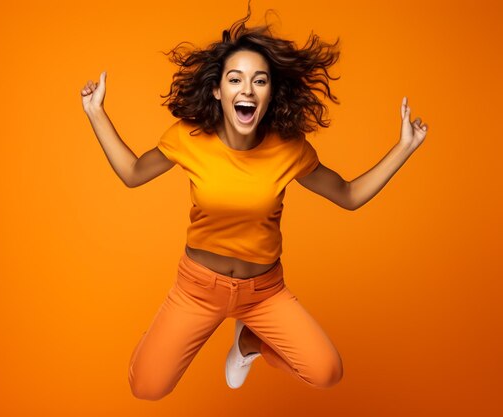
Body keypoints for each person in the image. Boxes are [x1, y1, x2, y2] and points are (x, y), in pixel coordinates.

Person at [80, 4, 428, 402]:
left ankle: (248, 344)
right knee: (146, 387)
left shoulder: (289, 149)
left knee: (327, 371)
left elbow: (348, 195)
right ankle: (169, 338)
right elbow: (132, 173)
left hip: (265, 290)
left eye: (259, 80)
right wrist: (96, 113)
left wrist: (405, 147)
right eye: (235, 79)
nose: (247, 89)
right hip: (198, 289)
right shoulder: (189, 138)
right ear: (218, 90)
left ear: (270, 92)